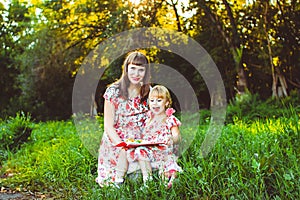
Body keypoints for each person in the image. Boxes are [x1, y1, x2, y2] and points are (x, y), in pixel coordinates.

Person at [96, 51, 151, 187]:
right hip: (117, 141)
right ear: (126, 68)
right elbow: (108, 126)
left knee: (140, 176)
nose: (136, 74)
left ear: (146, 72)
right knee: (115, 179)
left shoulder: (149, 91)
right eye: (133, 68)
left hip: (139, 141)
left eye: (141, 70)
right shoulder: (113, 91)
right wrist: (122, 146)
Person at [127, 85, 183, 188]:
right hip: (150, 152)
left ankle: (166, 178)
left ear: (166, 103)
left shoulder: (170, 119)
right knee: (140, 151)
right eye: (152, 100)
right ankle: (147, 180)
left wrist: (172, 139)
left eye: (159, 100)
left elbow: (177, 136)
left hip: (163, 152)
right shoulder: (148, 119)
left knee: (165, 175)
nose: (155, 103)